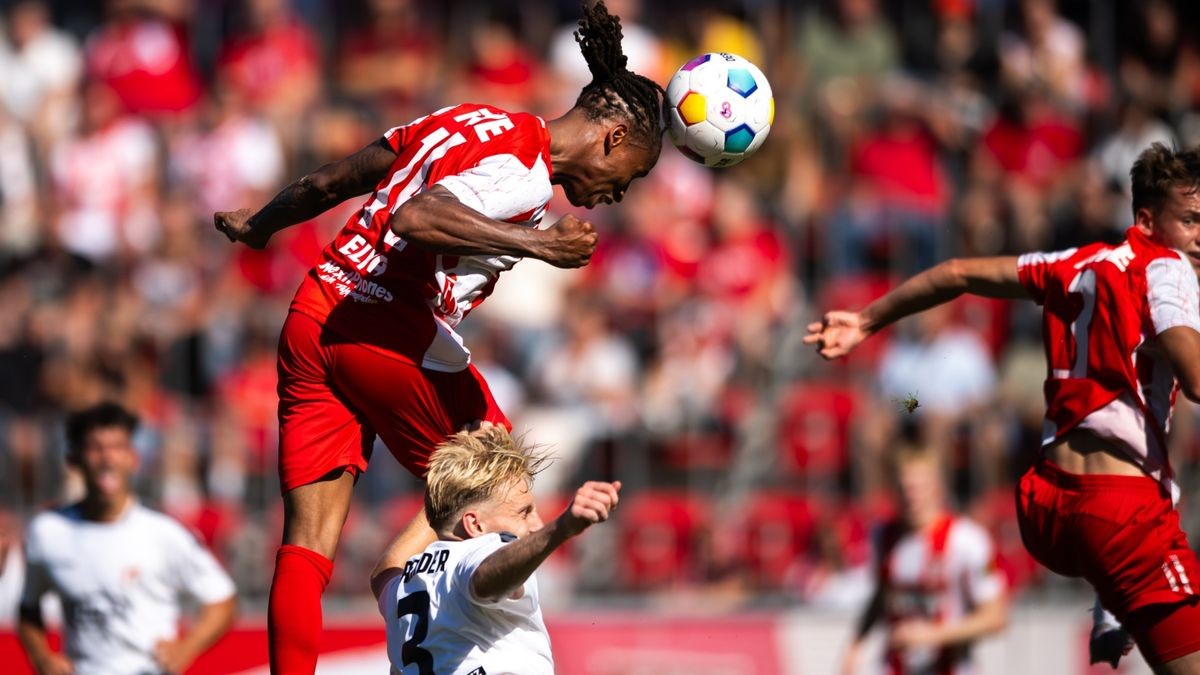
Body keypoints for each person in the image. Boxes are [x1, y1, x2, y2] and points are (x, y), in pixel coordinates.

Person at [211, 2, 662, 672]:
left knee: (307, 544)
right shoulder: (524, 174)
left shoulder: (473, 118)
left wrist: (264, 222)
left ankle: (398, 583)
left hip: (315, 312)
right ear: (612, 139)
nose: (621, 194)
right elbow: (418, 216)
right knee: (504, 475)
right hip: (382, 322)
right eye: (632, 175)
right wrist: (534, 244)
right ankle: (464, 634)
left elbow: (334, 179)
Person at [807, 143, 1200, 674]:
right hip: (1110, 502)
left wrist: (870, 324)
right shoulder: (1168, 270)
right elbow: (896, 398)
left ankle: (1110, 602)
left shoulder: (1063, 270)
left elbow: (957, 284)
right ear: (1147, 219)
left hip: (1045, 501)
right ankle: (1114, 594)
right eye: (1194, 220)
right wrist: (916, 407)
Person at [370, 425, 619, 674]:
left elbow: (384, 571)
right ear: (475, 524)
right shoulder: (480, 550)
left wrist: (447, 490)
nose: (536, 525)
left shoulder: (406, 581)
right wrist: (560, 529)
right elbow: (484, 578)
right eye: (524, 512)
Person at [16, 402, 237, 675]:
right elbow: (28, 607)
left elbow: (222, 599)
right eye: (96, 448)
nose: (108, 459)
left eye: (118, 447)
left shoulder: (164, 533)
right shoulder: (48, 532)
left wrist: (187, 647)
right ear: (74, 460)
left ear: (134, 458)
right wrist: (42, 658)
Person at [841, 445, 1008, 675]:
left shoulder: (967, 540)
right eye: (904, 488)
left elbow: (996, 617)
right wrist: (855, 645)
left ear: (938, 488)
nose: (911, 496)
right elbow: (882, 594)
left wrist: (934, 634)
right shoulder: (882, 535)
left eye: (919, 487)